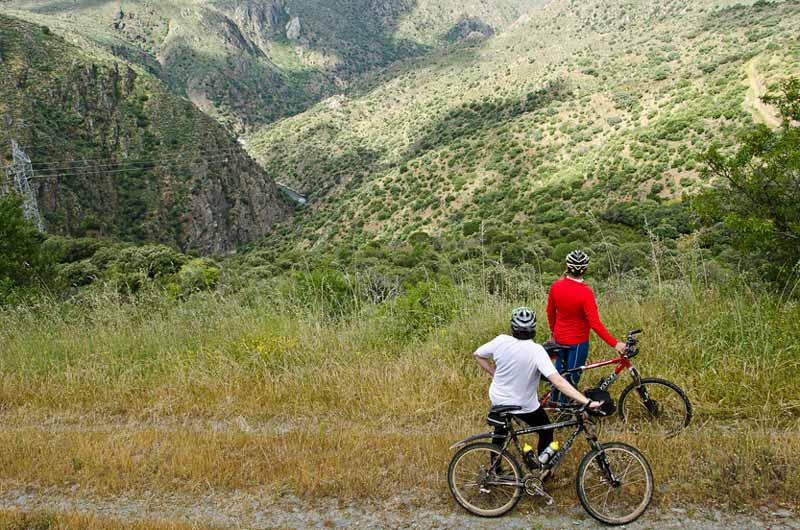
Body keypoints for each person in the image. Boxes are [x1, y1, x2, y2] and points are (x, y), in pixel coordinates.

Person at [474, 307, 602, 459]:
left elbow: (478, 354)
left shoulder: (501, 340)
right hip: (522, 403)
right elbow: (558, 382)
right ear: (533, 328)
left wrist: (494, 373)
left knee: (501, 430)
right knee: (546, 430)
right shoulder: (536, 351)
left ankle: (495, 468)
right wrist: (586, 401)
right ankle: (543, 466)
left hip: (498, 398)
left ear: (513, 326)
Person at [546, 250, 626, 405]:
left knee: (559, 375)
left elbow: (550, 312)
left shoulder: (556, 286)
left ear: (567, 267)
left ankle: (554, 403)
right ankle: (565, 408)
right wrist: (615, 343)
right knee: (572, 378)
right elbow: (595, 323)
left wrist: (553, 333)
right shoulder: (586, 293)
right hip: (577, 342)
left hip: (559, 338)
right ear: (585, 269)